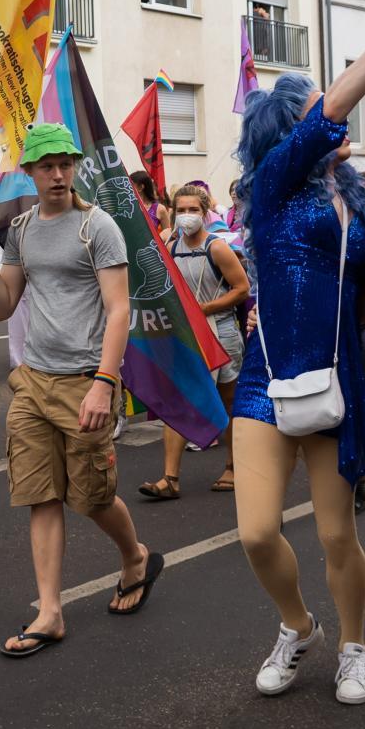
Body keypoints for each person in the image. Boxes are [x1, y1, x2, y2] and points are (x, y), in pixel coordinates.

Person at [228, 0, 365, 712]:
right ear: (287, 132)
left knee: (337, 534)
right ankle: (298, 626)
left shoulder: (361, 206)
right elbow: (332, 111)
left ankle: (354, 645)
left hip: (336, 383)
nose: (326, 120)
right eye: (313, 114)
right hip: (265, 382)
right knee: (255, 532)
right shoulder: (269, 189)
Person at [0, 122, 161, 657]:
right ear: (29, 171)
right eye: (47, 165)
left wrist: (105, 383)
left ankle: (135, 557)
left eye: (65, 164)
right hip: (32, 380)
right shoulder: (22, 230)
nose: (58, 173)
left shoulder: (96, 227)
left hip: (84, 382)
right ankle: (49, 611)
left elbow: (120, 308)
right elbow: (3, 307)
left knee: (92, 498)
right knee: (40, 495)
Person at [137, 183, 249, 501]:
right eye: (181, 210)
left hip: (221, 334)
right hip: (186, 336)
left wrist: (205, 310)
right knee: (177, 400)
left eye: (193, 210)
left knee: (227, 403)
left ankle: (233, 467)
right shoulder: (171, 246)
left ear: (205, 213)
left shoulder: (217, 248)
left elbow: (241, 288)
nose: (187, 216)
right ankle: (169, 478)